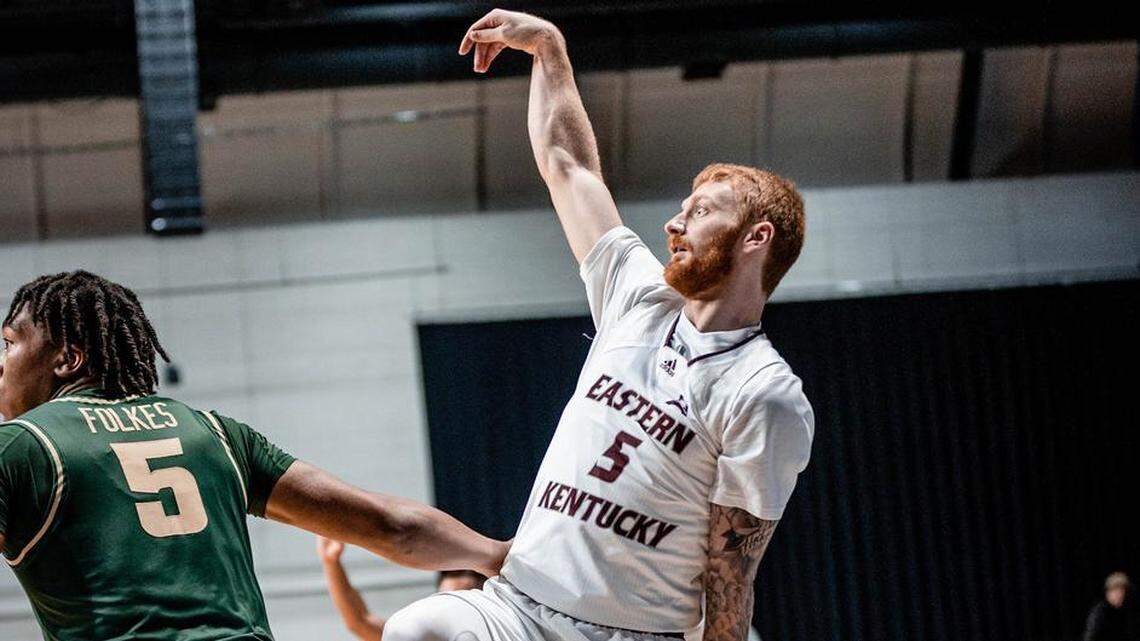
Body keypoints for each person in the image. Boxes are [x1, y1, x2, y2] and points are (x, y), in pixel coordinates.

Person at [382, 8, 814, 641]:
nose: (674, 225)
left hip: (629, 631)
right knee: (419, 628)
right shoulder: (638, 298)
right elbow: (570, 166)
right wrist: (549, 52)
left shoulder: (764, 391)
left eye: (699, 213)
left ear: (756, 238)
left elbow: (732, 570)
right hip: (519, 605)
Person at [0, 271, 508, 641]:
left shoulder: (22, 447)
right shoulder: (215, 434)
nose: (1, 364)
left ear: (67, 358)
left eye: (8, 344)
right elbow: (393, 526)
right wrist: (500, 555)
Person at [316, 535, 488, 640]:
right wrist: (331, 561)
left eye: (458, 605)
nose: (444, 611)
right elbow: (360, 621)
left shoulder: (505, 631)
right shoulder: (424, 635)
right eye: (442, 599)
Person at [1084, 572, 1140, 641]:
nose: (1119, 594)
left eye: (1122, 590)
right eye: (1115, 590)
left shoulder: (1128, 611)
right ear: (1108, 593)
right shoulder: (1100, 611)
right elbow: (1090, 636)